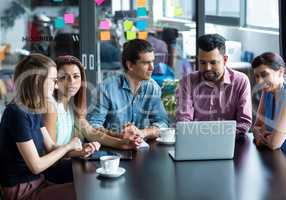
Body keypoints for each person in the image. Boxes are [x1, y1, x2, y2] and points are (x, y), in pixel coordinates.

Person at [0, 53, 89, 200]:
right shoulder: (16, 113)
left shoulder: (35, 109)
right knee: (85, 193)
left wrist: (79, 152)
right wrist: (68, 147)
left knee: (87, 180)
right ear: (37, 81)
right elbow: (36, 166)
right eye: (54, 80)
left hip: (37, 182)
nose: (55, 85)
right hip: (21, 190)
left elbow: (50, 147)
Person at [44, 55, 142, 151]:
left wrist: (122, 142)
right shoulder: (51, 107)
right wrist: (80, 153)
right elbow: (51, 151)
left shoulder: (72, 106)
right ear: (55, 81)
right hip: (58, 165)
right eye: (63, 77)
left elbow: (90, 133)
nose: (71, 81)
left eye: (76, 76)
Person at [88, 39, 169, 139]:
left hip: (141, 149)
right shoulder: (107, 88)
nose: (152, 68)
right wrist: (119, 136)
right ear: (130, 65)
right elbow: (92, 127)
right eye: (146, 63)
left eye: (152, 62)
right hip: (111, 150)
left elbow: (163, 123)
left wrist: (143, 133)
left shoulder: (152, 88)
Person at [176, 33, 252, 135]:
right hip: (196, 141)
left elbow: (243, 123)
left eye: (213, 62)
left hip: (231, 142)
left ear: (225, 60)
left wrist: (218, 137)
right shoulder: (187, 82)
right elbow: (183, 121)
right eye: (202, 63)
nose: (207, 68)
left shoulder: (240, 81)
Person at [252, 52, 286, 160]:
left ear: (281, 72)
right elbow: (256, 126)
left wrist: (260, 135)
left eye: (264, 74)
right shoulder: (267, 91)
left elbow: (274, 144)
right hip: (279, 159)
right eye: (257, 76)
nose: (259, 81)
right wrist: (263, 134)